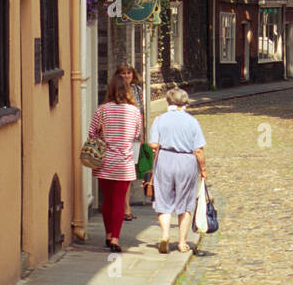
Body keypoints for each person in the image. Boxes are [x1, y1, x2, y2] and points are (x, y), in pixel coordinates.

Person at [88, 73, 143, 253]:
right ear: (127, 90)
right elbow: (136, 135)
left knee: (107, 200)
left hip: (104, 162)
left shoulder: (102, 110)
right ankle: (116, 238)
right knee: (119, 201)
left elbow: (91, 133)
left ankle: (108, 233)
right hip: (124, 162)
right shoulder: (135, 112)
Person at [148, 88, 208, 254]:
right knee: (185, 203)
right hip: (186, 161)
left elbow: (153, 144)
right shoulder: (192, 122)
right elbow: (198, 150)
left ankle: (165, 235)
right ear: (185, 102)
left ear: (168, 101)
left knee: (164, 200)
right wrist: (203, 169)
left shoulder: (160, 120)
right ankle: (182, 242)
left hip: (165, 160)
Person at [110, 62, 146, 219]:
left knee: (130, 174)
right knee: (120, 174)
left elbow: (141, 114)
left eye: (129, 73)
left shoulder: (137, 90)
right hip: (118, 137)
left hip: (134, 137)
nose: (126, 76)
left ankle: (125, 207)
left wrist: (142, 135)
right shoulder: (115, 91)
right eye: (123, 73)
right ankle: (124, 208)